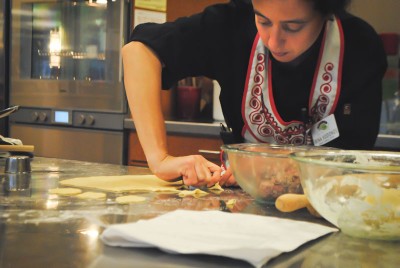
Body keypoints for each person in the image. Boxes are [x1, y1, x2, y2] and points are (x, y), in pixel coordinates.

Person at [122, 0, 387, 187]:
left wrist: (272, 168)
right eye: (263, 21)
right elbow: (138, 52)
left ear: (325, 13)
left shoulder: (359, 46)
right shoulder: (230, 25)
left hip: (327, 207)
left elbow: (354, 160)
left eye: (293, 27)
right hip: (242, 206)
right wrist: (160, 158)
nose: (274, 41)